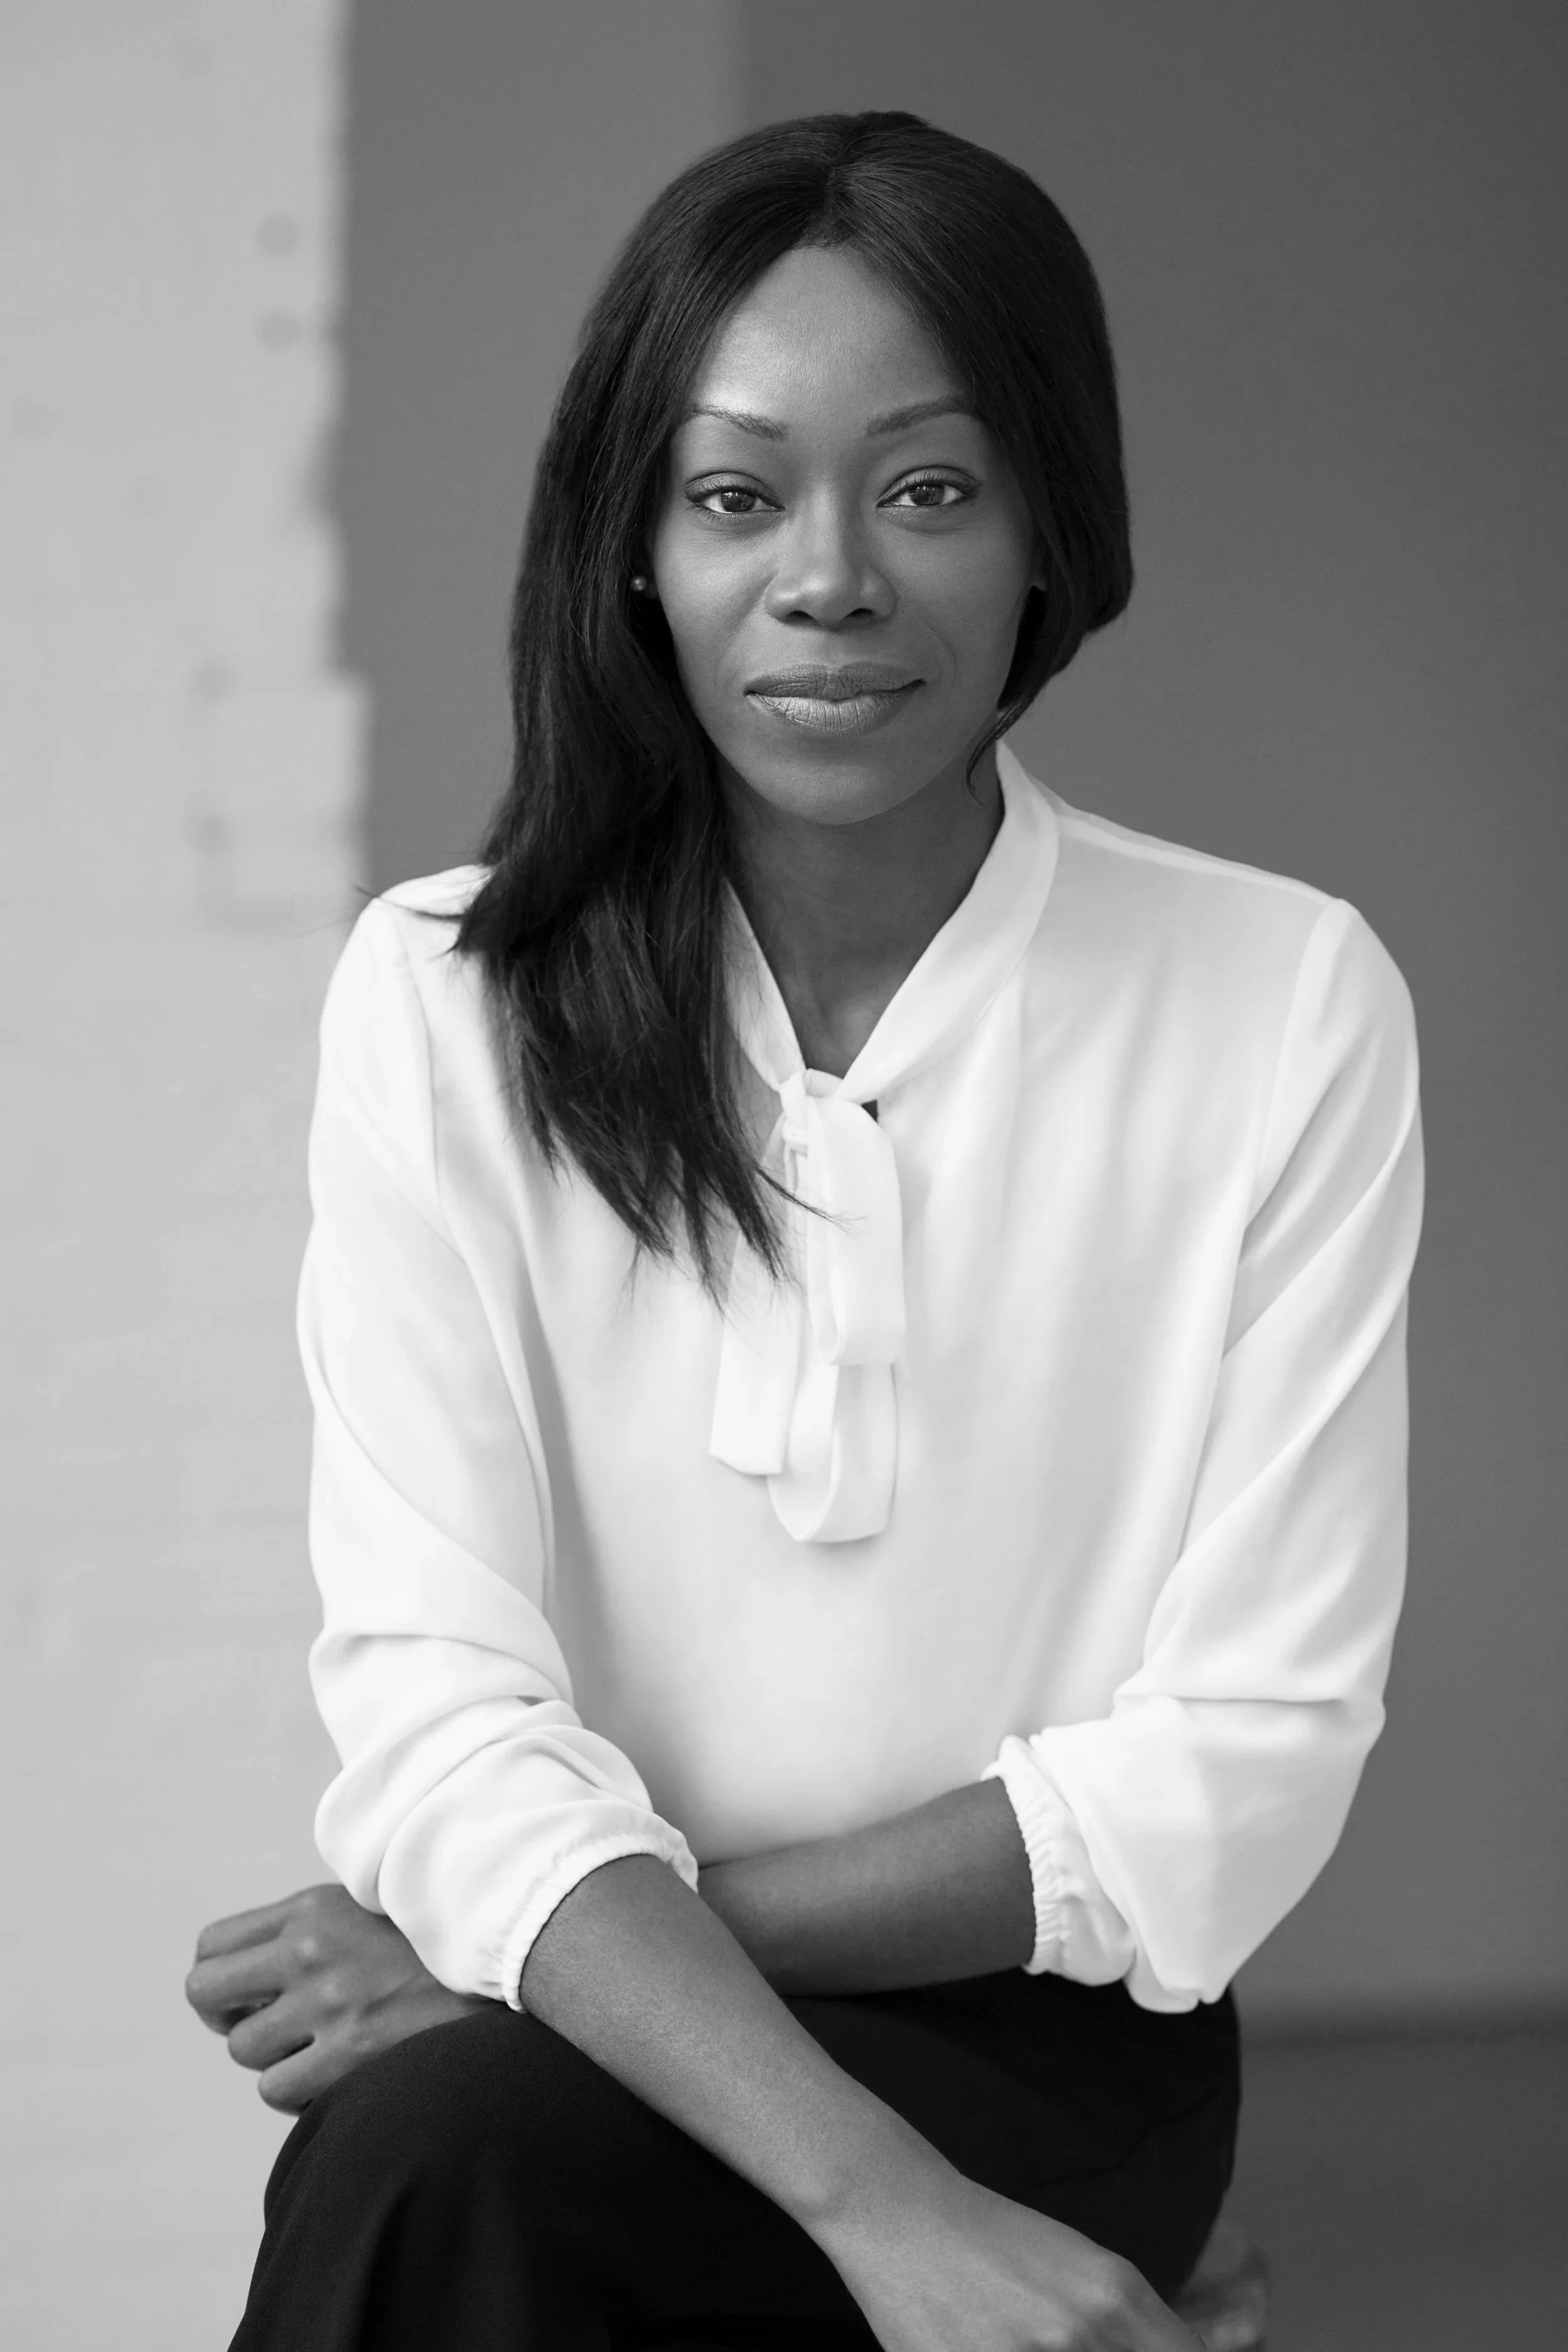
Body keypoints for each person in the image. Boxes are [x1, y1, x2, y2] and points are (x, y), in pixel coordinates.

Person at [185, 109, 1422, 2352]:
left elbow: (1239, 1759)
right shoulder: (446, 997)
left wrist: (559, 1936)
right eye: (735, 493)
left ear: (1052, 525)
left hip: (1037, 2031)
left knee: (445, 2151)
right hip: (582, 2010)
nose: (829, 578)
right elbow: (441, 1711)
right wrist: (877, 2205)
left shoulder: (1279, 995)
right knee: (436, 2163)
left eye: (928, 486)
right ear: (633, 550)